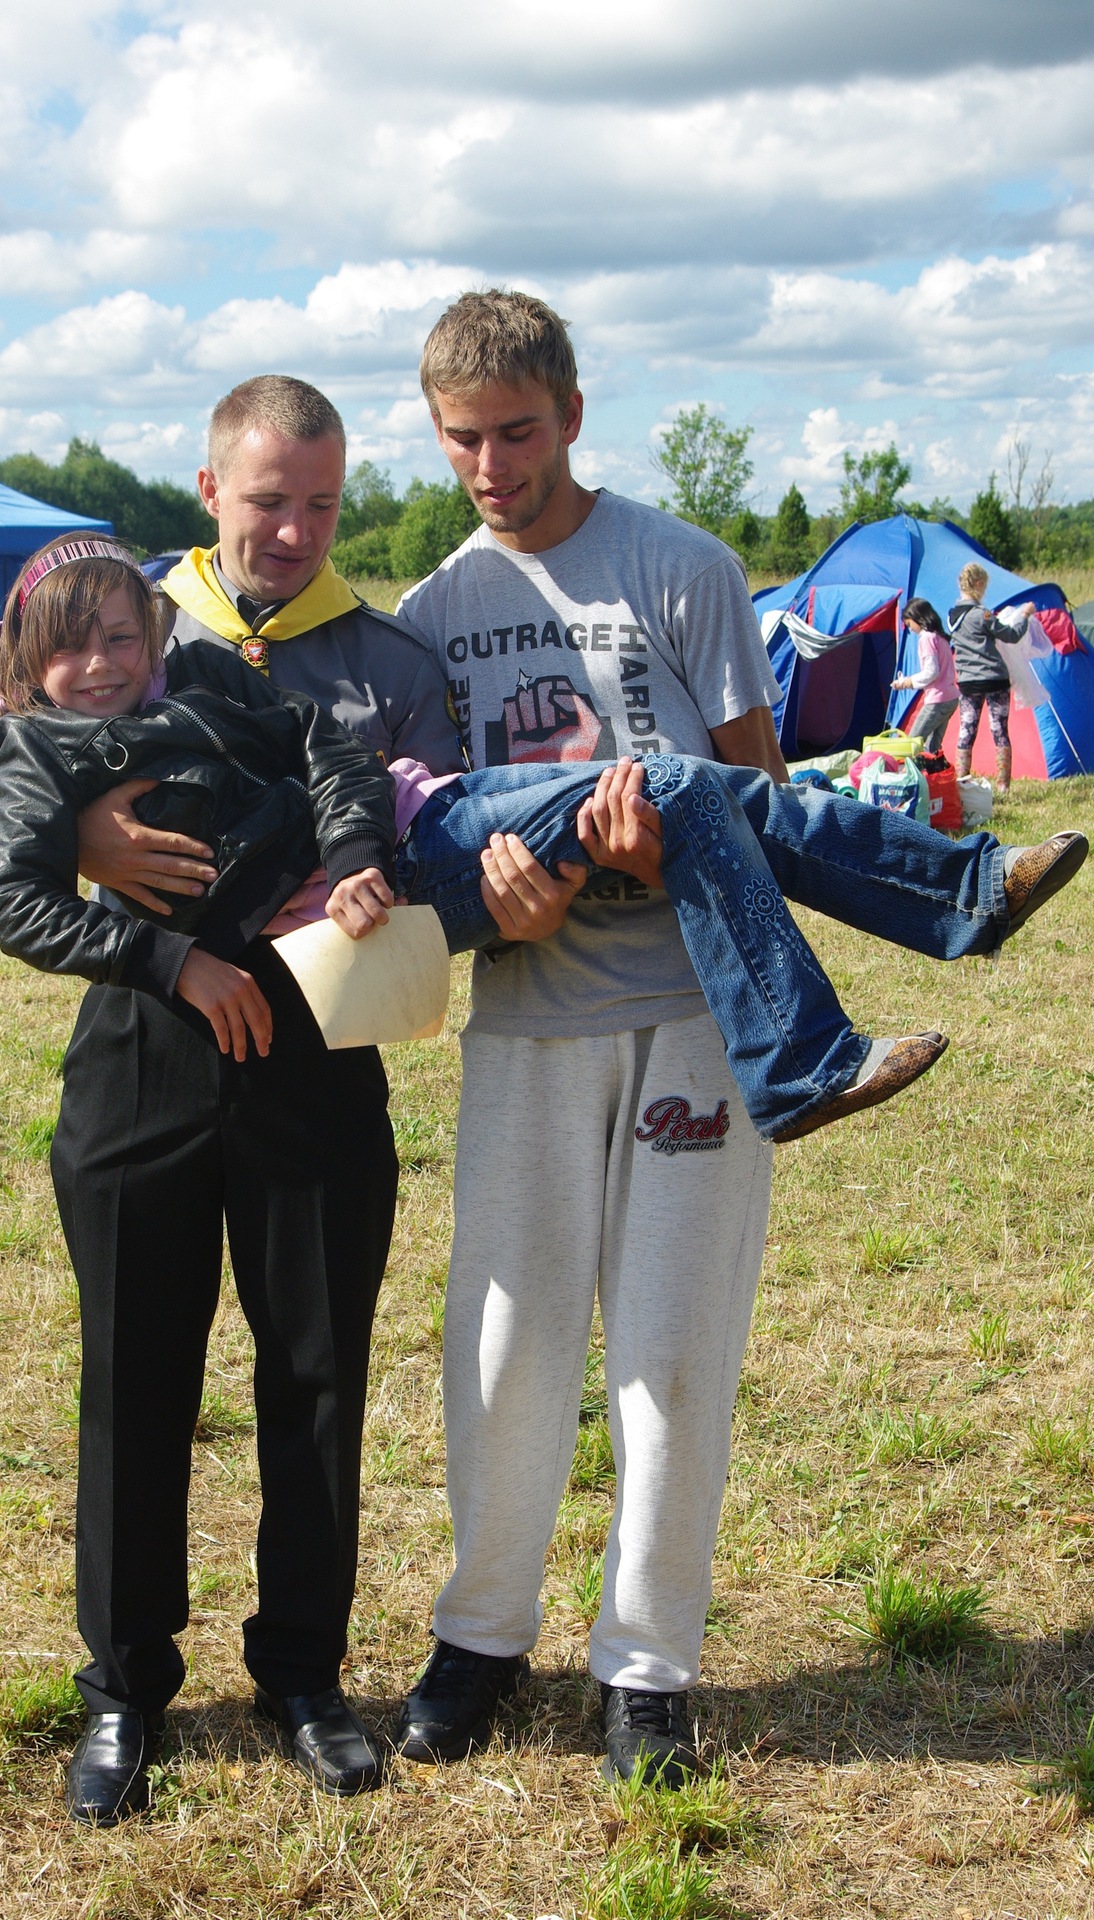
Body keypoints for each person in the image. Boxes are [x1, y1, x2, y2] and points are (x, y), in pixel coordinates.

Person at [382, 290, 1072, 1788]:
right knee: (501, 1357)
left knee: (672, 1355)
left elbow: (757, 802)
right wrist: (508, 898)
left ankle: (646, 1671)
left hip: (694, 1008)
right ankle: (478, 1638)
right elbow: (425, 836)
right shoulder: (428, 615)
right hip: (529, 1017)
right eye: (461, 440)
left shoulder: (681, 568)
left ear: (571, 413)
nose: (491, 466)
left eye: (516, 432)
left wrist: (646, 853)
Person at [0, 379, 471, 1821]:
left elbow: (360, 767)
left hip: (313, 1049)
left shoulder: (326, 659)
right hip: (141, 1063)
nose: (291, 527)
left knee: (315, 1374)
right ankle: (124, 1688)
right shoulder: (111, 630)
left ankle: (302, 1675)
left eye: (319, 503)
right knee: (134, 1382)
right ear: (210, 491)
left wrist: (360, 855)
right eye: (265, 499)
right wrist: (92, 841)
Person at [0, 548, 1084, 1148]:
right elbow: (19, 904)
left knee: (696, 791)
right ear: (25, 657)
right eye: (72, 648)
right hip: (391, 896)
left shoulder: (194, 676)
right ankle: (817, 1045)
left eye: (123, 636)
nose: (103, 664)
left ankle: (963, 895)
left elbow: (326, 744)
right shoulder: (32, 755)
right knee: (672, 788)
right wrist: (170, 955)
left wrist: (351, 844)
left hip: (407, 824)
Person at [948, 562, 1034, 795]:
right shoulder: (983, 615)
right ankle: (1003, 785)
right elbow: (1012, 635)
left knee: (966, 730)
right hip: (995, 679)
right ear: (978, 584)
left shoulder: (951, 616)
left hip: (968, 682)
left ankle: (961, 782)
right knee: (999, 731)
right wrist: (1025, 615)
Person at [892, 598, 958, 752]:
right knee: (933, 747)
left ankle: (912, 768)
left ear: (917, 618)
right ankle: (935, 767)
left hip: (937, 699)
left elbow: (931, 671)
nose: (911, 630)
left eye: (910, 625)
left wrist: (908, 682)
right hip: (951, 697)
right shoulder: (940, 637)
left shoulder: (926, 638)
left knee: (912, 743)